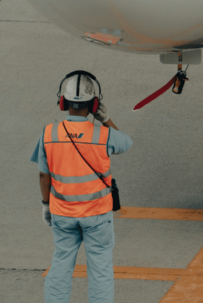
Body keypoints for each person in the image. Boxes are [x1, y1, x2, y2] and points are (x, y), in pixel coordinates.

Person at [30, 71, 132, 303]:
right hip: (97, 214)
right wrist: (105, 119)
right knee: (100, 270)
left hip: (63, 213)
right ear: (95, 104)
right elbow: (126, 142)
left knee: (60, 266)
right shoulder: (104, 135)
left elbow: (43, 176)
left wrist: (46, 204)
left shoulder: (49, 133)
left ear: (62, 103)